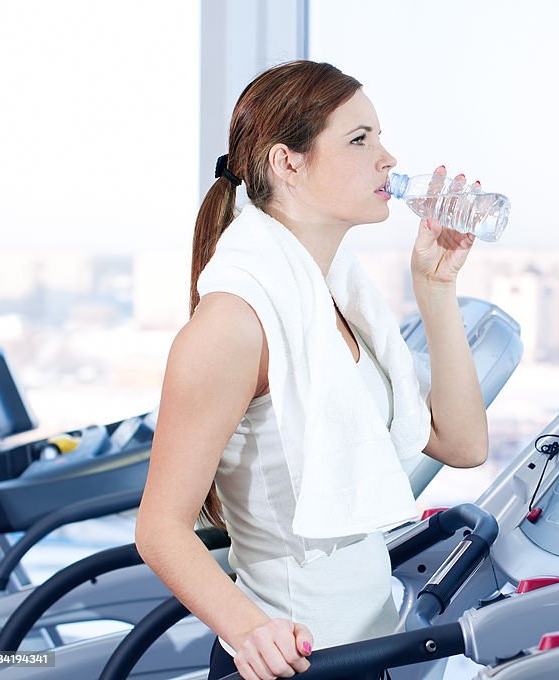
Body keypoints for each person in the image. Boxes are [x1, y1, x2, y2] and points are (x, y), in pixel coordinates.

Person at [135, 60, 489, 680]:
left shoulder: (337, 301)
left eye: (379, 137)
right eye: (360, 140)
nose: (388, 157)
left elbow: (462, 444)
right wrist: (251, 632)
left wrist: (434, 289)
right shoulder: (234, 324)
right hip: (294, 662)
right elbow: (160, 528)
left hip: (367, 650)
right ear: (287, 163)